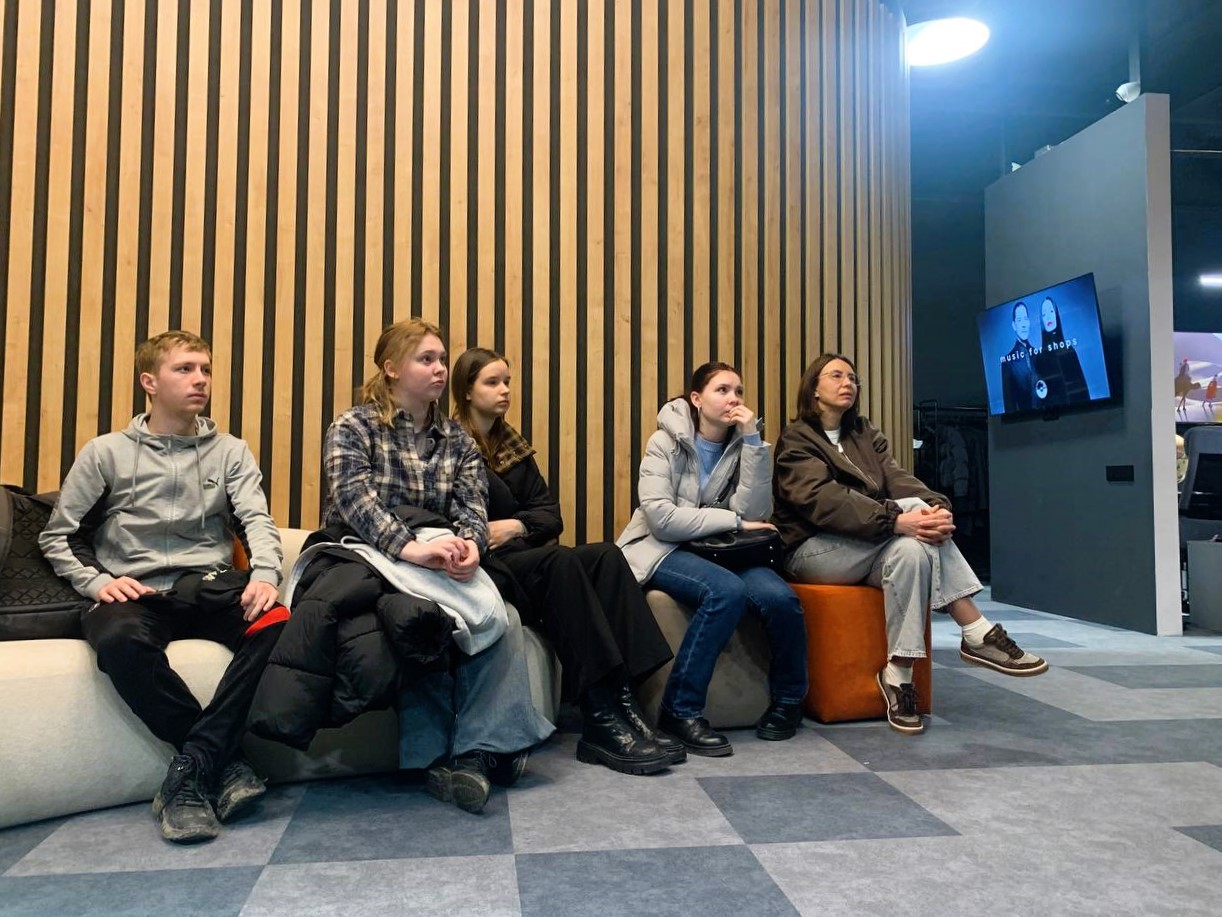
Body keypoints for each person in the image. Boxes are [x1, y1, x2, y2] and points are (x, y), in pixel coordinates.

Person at [39, 331, 288, 843]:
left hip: (208, 584)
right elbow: (58, 536)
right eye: (185, 369)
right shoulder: (105, 452)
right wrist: (96, 581)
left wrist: (266, 574)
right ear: (149, 382)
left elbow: (256, 522)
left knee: (279, 623)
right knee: (119, 640)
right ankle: (226, 765)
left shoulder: (230, 451)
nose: (200, 379)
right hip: (135, 590)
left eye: (205, 369)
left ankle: (192, 770)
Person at [322, 319, 553, 814]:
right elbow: (353, 501)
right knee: (421, 618)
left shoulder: (456, 439)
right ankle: (435, 759)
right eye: (426, 359)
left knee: (501, 615)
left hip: (437, 556)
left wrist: (470, 545)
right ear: (391, 368)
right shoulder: (353, 427)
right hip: (370, 556)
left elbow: (472, 505)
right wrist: (408, 548)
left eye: (442, 359)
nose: (440, 368)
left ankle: (474, 753)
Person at [773, 353, 1048, 736]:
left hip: (867, 544)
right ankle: (974, 628)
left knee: (914, 549)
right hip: (812, 551)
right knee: (913, 518)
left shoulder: (864, 434)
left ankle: (899, 675)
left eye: (852, 377)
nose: (847, 383)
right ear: (814, 389)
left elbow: (897, 478)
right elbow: (823, 500)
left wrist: (938, 507)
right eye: (836, 376)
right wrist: (895, 519)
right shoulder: (797, 439)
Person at [450, 347, 680, 774]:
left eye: (507, 381)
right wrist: (517, 526)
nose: (505, 391)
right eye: (492, 382)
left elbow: (551, 516)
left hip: (521, 553)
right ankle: (599, 716)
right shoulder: (452, 447)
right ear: (466, 391)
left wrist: (514, 525)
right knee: (560, 562)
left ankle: (627, 703)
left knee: (607, 555)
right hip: (487, 568)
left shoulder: (512, 446)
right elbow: (475, 520)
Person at [616, 362, 808, 757]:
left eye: (738, 391)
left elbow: (756, 511)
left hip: (725, 549)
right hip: (664, 547)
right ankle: (680, 710)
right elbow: (662, 518)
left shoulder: (743, 444)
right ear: (697, 399)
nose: (734, 398)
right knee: (726, 592)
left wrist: (753, 442)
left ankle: (789, 700)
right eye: (722, 390)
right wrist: (733, 520)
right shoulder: (664, 442)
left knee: (781, 599)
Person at [1035, 296, 1089, 406]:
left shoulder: (1069, 350)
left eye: (1051, 311)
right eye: (1044, 314)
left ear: (1056, 314)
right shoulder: (1039, 358)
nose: (1048, 317)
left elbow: (1082, 389)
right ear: (1041, 320)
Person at [1000, 301, 1039, 413]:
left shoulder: (1038, 354)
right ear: (1014, 325)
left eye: (1025, 319)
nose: (1023, 324)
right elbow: (1009, 405)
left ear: (1029, 322)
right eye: (1019, 320)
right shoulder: (1007, 362)